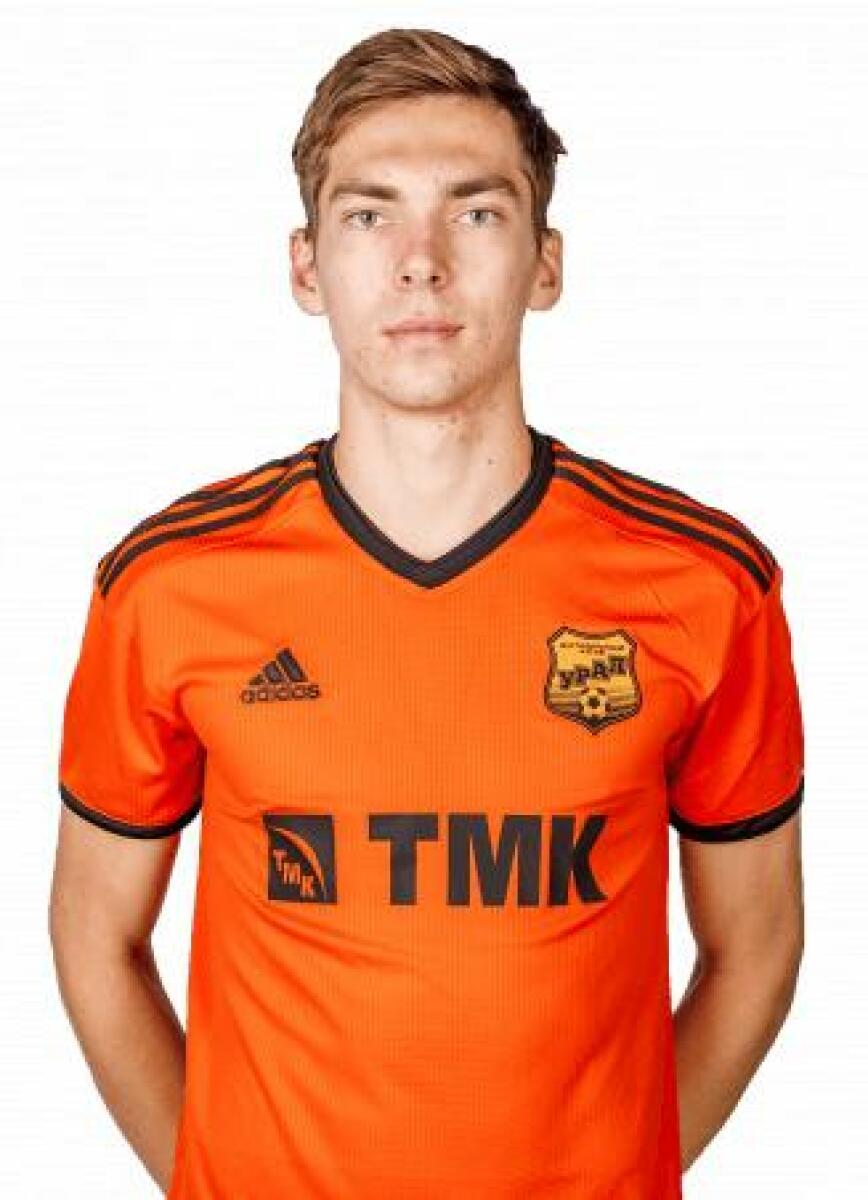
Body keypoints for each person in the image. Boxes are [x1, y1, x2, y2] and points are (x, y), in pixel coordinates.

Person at [49, 27, 805, 1200]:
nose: (420, 264)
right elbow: (95, 936)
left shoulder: (705, 584)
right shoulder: (168, 583)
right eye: (369, 215)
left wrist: (621, 1172)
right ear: (307, 268)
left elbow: (754, 949)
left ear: (544, 264)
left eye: (476, 212)